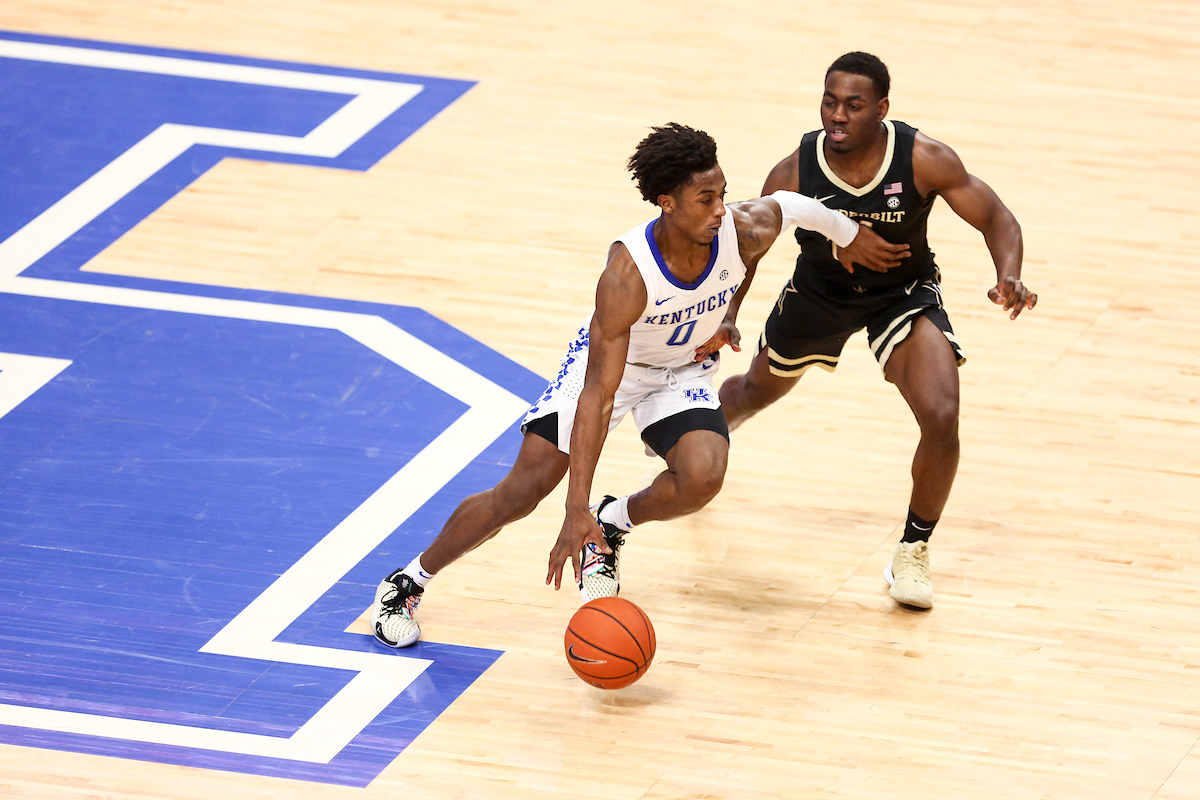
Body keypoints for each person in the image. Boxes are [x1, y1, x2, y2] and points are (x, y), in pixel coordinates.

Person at [370, 122, 908, 647]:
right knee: (523, 492)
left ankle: (613, 523)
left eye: (722, 192)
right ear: (665, 202)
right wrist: (572, 508)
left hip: (683, 367)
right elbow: (599, 398)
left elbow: (793, 206)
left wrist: (847, 236)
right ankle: (407, 583)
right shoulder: (628, 276)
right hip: (613, 369)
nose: (721, 208)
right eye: (705, 199)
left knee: (702, 477)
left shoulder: (743, 227)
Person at [715, 52, 1037, 610]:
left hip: (902, 296)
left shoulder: (923, 158)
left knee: (942, 415)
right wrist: (727, 314)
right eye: (829, 102)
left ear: (882, 109)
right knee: (751, 392)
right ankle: (706, 435)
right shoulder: (793, 170)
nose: (837, 115)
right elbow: (748, 250)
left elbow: (997, 219)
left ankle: (912, 550)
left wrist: (1008, 275)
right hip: (818, 295)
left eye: (854, 105)